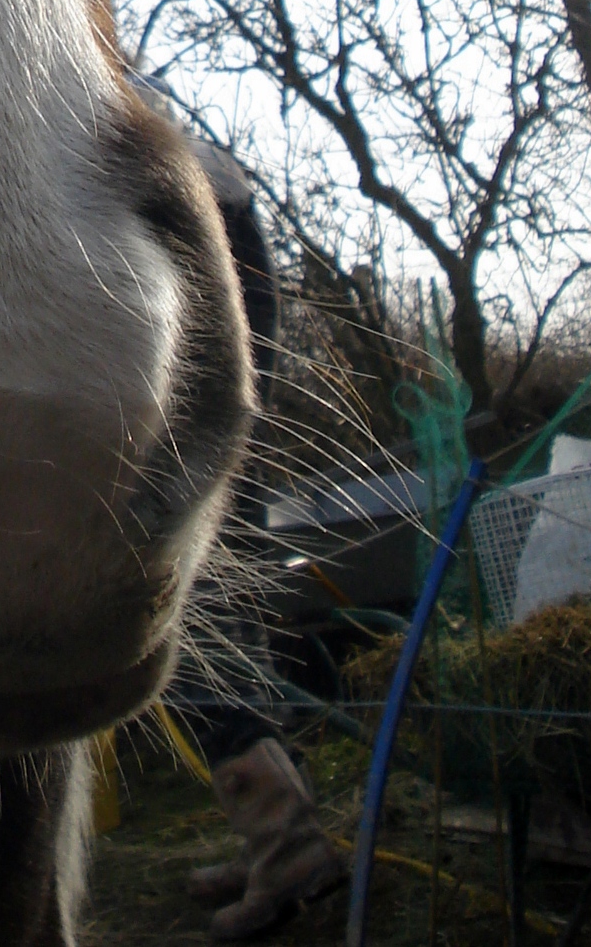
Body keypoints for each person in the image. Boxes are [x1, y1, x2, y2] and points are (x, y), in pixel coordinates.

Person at [134, 78, 348, 940]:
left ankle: (286, 844)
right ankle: (280, 828)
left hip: (179, 243)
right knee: (225, 578)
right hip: (217, 240)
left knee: (175, 595)